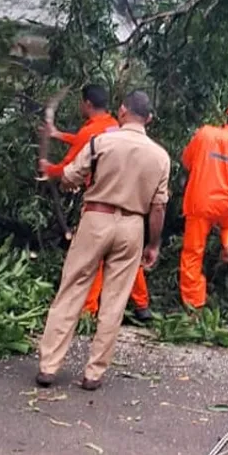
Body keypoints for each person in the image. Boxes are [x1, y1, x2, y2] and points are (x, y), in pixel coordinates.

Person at [36, 90, 170, 390]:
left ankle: (49, 366)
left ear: (122, 111)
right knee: (114, 301)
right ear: (148, 118)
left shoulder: (102, 142)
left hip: (96, 217)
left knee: (72, 289)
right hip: (133, 226)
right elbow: (158, 206)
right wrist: (153, 244)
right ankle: (94, 373)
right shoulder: (160, 157)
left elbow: (70, 176)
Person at [43, 85, 152, 322]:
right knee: (129, 257)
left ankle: (89, 309)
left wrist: (47, 169)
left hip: (102, 199)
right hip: (130, 199)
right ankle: (142, 306)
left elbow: (69, 168)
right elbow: (84, 140)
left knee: (96, 257)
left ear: (87, 104)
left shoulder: (92, 132)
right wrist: (59, 135)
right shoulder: (113, 125)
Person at [178, 101, 228, 310]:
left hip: (200, 201)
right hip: (227, 204)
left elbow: (186, 161)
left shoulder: (205, 134)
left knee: (192, 254)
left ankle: (194, 306)